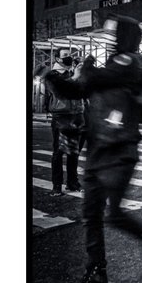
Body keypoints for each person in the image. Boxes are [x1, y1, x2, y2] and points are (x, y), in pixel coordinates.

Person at [45, 16, 142, 283]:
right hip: (97, 150)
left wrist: (84, 70)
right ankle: (96, 275)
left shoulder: (134, 63)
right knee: (91, 215)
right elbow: (76, 90)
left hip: (119, 151)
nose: (108, 39)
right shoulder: (108, 68)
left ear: (126, 36)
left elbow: (98, 79)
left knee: (113, 214)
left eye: (113, 34)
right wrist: (52, 76)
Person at [43, 55, 84, 194]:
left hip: (76, 115)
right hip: (61, 116)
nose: (69, 58)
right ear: (57, 58)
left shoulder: (73, 73)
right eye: (65, 55)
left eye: (71, 55)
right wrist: (75, 77)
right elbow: (59, 90)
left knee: (73, 152)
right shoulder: (52, 75)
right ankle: (56, 186)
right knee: (59, 152)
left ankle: (72, 182)